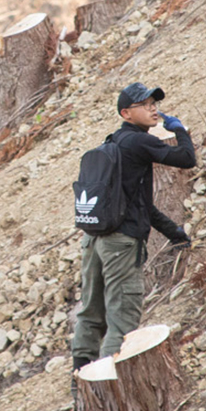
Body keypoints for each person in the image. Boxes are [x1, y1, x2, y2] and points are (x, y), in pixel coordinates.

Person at [72, 82, 196, 368]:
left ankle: (81, 379)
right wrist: (180, 130)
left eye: (154, 102)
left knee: (91, 312)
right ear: (126, 113)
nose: (154, 108)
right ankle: (113, 382)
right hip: (120, 244)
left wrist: (174, 233)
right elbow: (186, 158)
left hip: (93, 238)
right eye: (145, 104)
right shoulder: (138, 141)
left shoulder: (114, 141)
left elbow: (139, 205)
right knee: (123, 316)